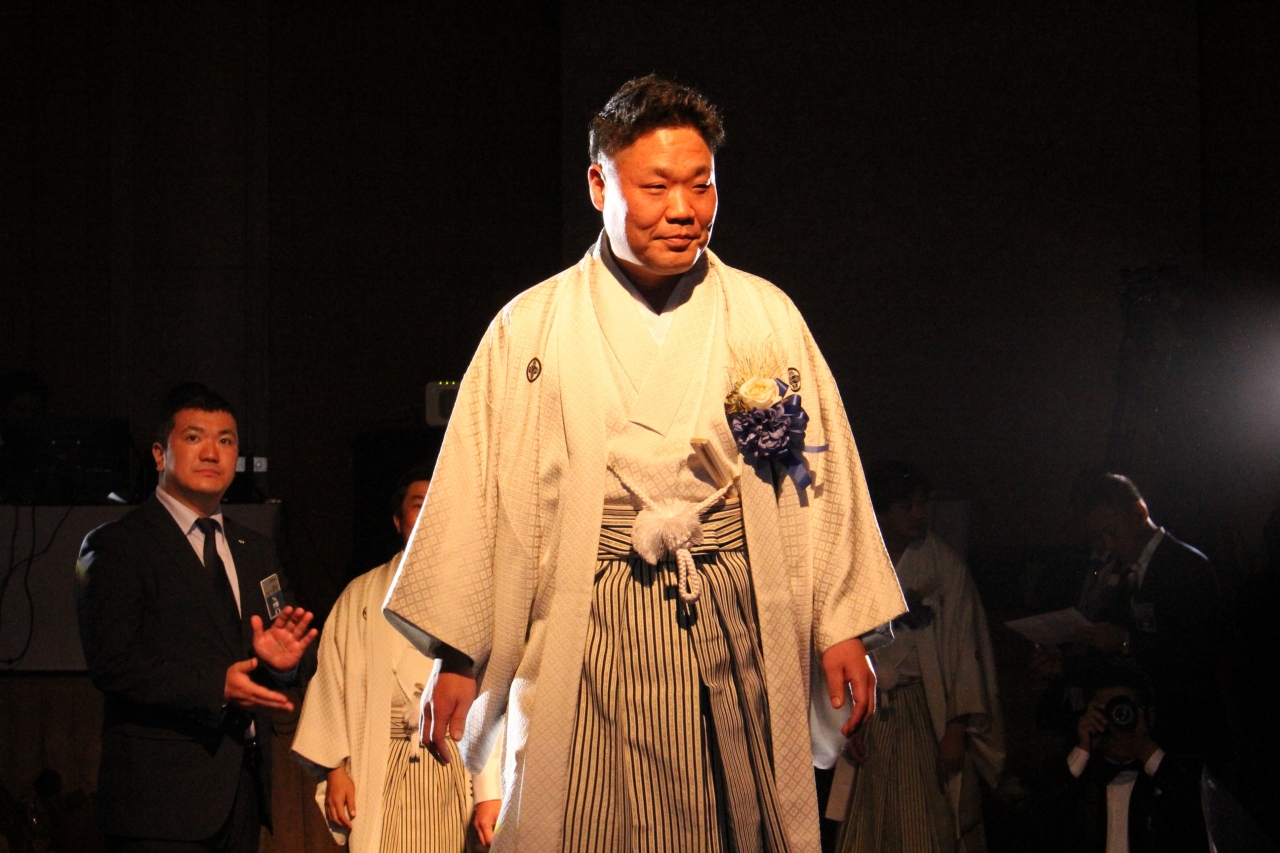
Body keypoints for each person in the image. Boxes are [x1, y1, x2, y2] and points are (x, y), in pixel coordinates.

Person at [382, 75, 906, 853]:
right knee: (585, 821)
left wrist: (840, 626)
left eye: (702, 184)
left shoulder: (763, 315)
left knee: (735, 820)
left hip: (730, 621)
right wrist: (457, 654)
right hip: (585, 625)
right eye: (657, 186)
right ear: (600, 184)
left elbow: (817, 485)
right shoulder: (530, 327)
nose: (684, 209)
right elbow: (479, 495)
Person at [75, 383, 318, 852]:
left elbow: (288, 646)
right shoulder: (117, 545)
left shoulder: (254, 548)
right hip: (158, 804)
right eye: (193, 437)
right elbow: (113, 663)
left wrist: (283, 665)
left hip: (242, 794)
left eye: (225, 440)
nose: (211, 452)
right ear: (159, 455)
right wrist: (216, 686)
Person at [292, 464, 502, 852]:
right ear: (397, 519)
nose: (429, 513)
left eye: (439, 504)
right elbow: (331, 684)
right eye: (418, 505)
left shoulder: (478, 597)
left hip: (452, 765)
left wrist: (490, 791)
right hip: (379, 764)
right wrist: (335, 768)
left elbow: (494, 697)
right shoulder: (360, 595)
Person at [828, 462, 1003, 853]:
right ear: (881, 511)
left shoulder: (944, 565)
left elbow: (964, 649)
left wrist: (955, 731)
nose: (919, 514)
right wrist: (845, 722)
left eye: (923, 504)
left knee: (924, 817)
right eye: (907, 506)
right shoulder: (856, 562)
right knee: (868, 819)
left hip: (924, 709)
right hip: (869, 708)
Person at [1067, 471, 1222, 762]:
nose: (1106, 544)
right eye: (1097, 538)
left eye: (1111, 531)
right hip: (1137, 733)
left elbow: (1199, 652)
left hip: (1185, 730)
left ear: (1139, 513)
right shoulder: (1120, 573)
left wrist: (1126, 642)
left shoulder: (1187, 566)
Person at [1030, 660, 1208, 853]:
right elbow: (1040, 824)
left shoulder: (1176, 774)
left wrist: (1144, 747)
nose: (1116, 720)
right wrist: (1084, 746)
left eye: (1125, 711)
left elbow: (1206, 818)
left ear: (1149, 716)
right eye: (1107, 712)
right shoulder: (1078, 780)